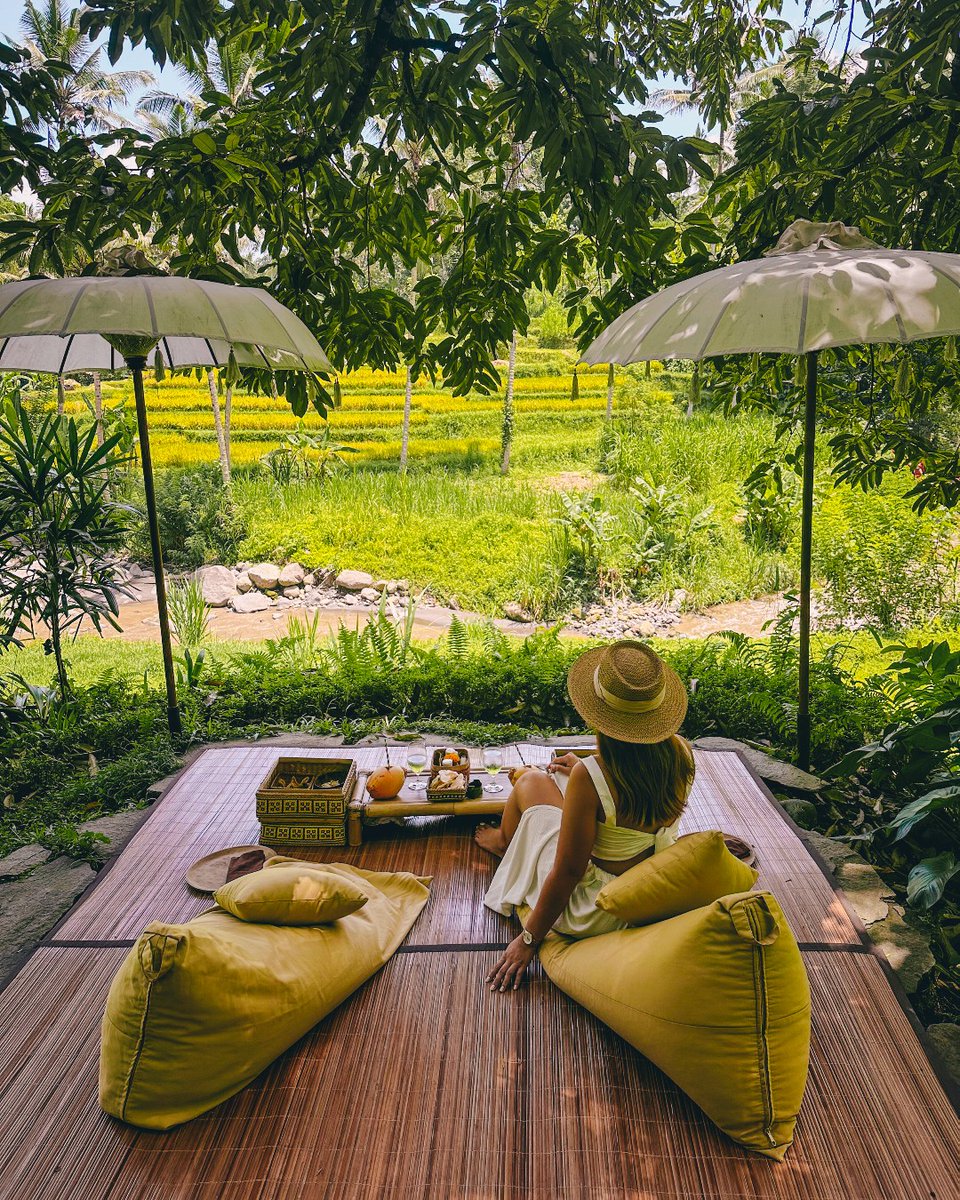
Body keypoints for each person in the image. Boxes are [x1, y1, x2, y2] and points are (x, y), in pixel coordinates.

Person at [477, 639, 694, 991]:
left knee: (532, 781)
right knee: (560, 788)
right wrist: (584, 771)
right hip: (647, 891)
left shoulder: (592, 776)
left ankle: (505, 844)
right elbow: (632, 797)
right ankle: (512, 844)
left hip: (595, 910)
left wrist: (528, 941)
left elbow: (569, 871)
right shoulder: (682, 754)